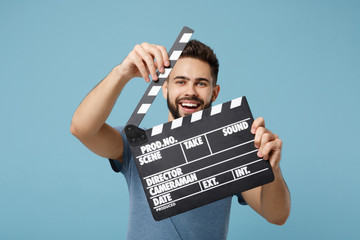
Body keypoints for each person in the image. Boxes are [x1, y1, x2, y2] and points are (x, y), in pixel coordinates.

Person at [71, 40, 291, 239]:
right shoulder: (137, 145)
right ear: (165, 89)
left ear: (214, 93)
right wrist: (121, 73)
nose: (190, 91)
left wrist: (273, 167)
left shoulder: (229, 151)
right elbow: (83, 129)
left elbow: (277, 215)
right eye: (181, 81)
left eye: (201, 83)